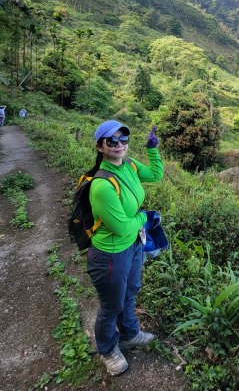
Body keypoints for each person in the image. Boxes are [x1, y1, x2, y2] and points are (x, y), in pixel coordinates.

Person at [86, 119, 163, 376]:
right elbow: (121, 227)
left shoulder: (129, 165)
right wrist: (144, 217)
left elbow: (156, 175)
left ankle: (129, 334)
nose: (119, 145)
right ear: (100, 146)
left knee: (131, 291)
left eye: (124, 139)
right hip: (109, 254)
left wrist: (152, 149)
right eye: (112, 141)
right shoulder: (102, 186)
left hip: (132, 246)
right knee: (111, 305)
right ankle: (107, 350)